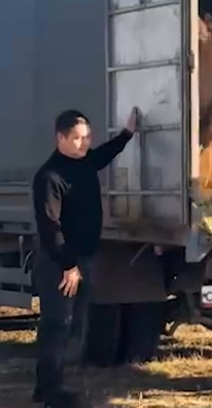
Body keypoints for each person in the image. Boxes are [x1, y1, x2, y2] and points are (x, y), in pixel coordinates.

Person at [30, 107, 139, 407]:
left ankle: (49, 386)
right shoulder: (50, 177)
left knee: (73, 325)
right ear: (60, 138)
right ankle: (51, 392)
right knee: (58, 325)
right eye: (77, 138)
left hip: (83, 261)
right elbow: (50, 226)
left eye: (88, 137)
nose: (84, 143)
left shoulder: (86, 162)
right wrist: (68, 266)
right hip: (60, 265)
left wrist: (127, 134)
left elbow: (104, 154)